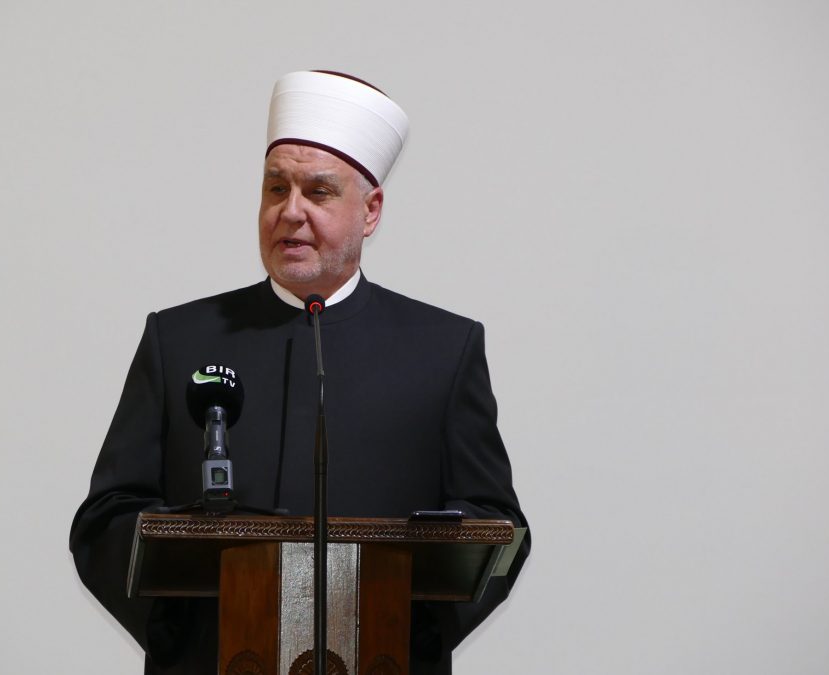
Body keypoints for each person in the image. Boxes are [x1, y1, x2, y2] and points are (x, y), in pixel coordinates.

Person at [70, 70, 530, 675]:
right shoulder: (178, 338)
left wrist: (404, 634)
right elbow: (106, 518)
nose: (290, 212)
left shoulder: (445, 348)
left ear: (370, 211)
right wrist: (184, 632)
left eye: (318, 192)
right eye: (275, 187)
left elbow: (498, 527)